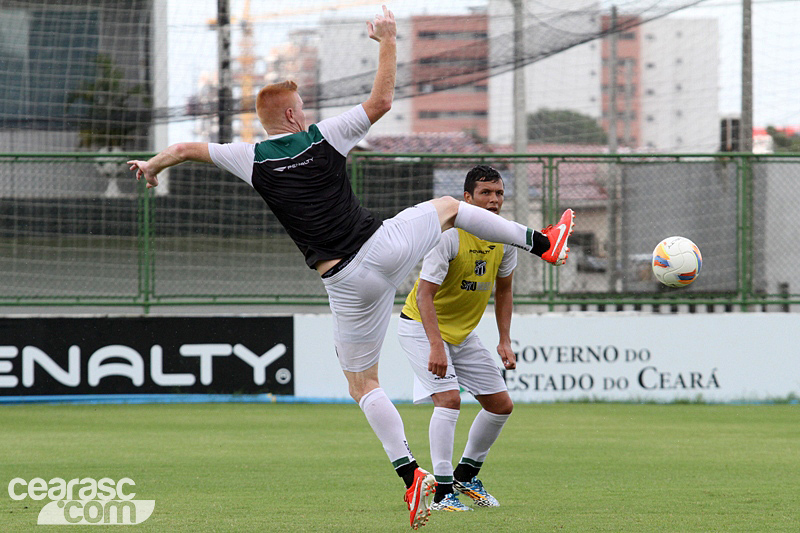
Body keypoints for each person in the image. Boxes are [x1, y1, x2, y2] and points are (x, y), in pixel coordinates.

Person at [128, 6, 574, 530]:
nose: (306, 109)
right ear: (294, 115)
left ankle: (411, 476)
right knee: (450, 207)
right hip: (382, 248)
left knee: (363, 383)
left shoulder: (247, 156)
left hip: (342, 280)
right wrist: (385, 40)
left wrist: (151, 167)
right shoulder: (323, 135)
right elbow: (383, 100)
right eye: (302, 105)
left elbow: (182, 147)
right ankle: (541, 241)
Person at [398, 165, 529, 512]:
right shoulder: (450, 235)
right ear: (467, 199)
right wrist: (437, 346)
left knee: (501, 406)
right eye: (485, 193)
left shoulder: (506, 237)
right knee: (449, 400)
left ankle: (466, 475)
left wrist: (504, 340)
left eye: (499, 193)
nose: (494, 201)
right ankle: (441, 492)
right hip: (421, 327)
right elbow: (424, 295)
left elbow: (504, 291)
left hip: (462, 334)